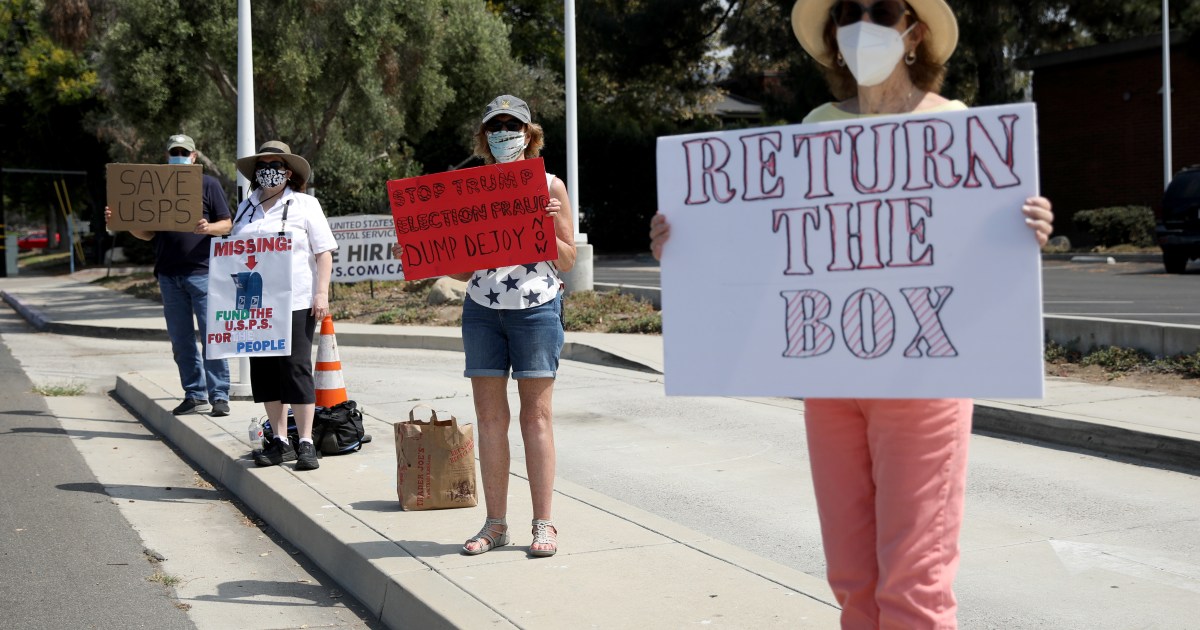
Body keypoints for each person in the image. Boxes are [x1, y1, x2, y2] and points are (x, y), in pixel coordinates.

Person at [649, 1, 1055, 627]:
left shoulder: (956, 124)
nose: (862, 22)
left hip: (925, 382)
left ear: (914, 33)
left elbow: (977, 247)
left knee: (914, 586)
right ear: (835, 39)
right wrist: (686, 242)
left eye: (882, 9)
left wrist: (1026, 228)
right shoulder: (816, 124)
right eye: (847, 13)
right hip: (832, 381)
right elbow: (768, 242)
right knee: (852, 581)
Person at [398, 95, 576, 557]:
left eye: (511, 125)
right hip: (482, 310)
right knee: (491, 420)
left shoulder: (550, 185)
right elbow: (461, 270)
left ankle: (544, 524)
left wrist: (550, 227)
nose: (503, 132)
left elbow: (568, 260)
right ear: (484, 136)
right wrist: (425, 255)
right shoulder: (468, 189)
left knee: (535, 418)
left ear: (529, 134)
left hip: (536, 309)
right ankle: (495, 524)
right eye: (494, 125)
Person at [106, 134, 233, 417]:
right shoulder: (156, 189)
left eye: (183, 152)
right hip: (168, 275)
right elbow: (147, 233)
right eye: (174, 151)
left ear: (194, 156)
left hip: (203, 273)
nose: (179, 155)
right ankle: (194, 394)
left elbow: (226, 225)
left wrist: (207, 228)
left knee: (213, 336)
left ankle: (220, 395)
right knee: (181, 340)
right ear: (167, 156)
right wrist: (125, 220)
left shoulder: (209, 184)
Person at [231, 141, 337, 471]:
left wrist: (322, 294)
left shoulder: (305, 205)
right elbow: (233, 254)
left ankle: (305, 441)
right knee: (264, 373)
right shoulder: (246, 208)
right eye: (262, 165)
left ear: (288, 171)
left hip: (295, 301)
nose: (268, 170)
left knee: (295, 368)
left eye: (274, 164)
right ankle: (279, 441)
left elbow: (323, 253)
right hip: (255, 304)